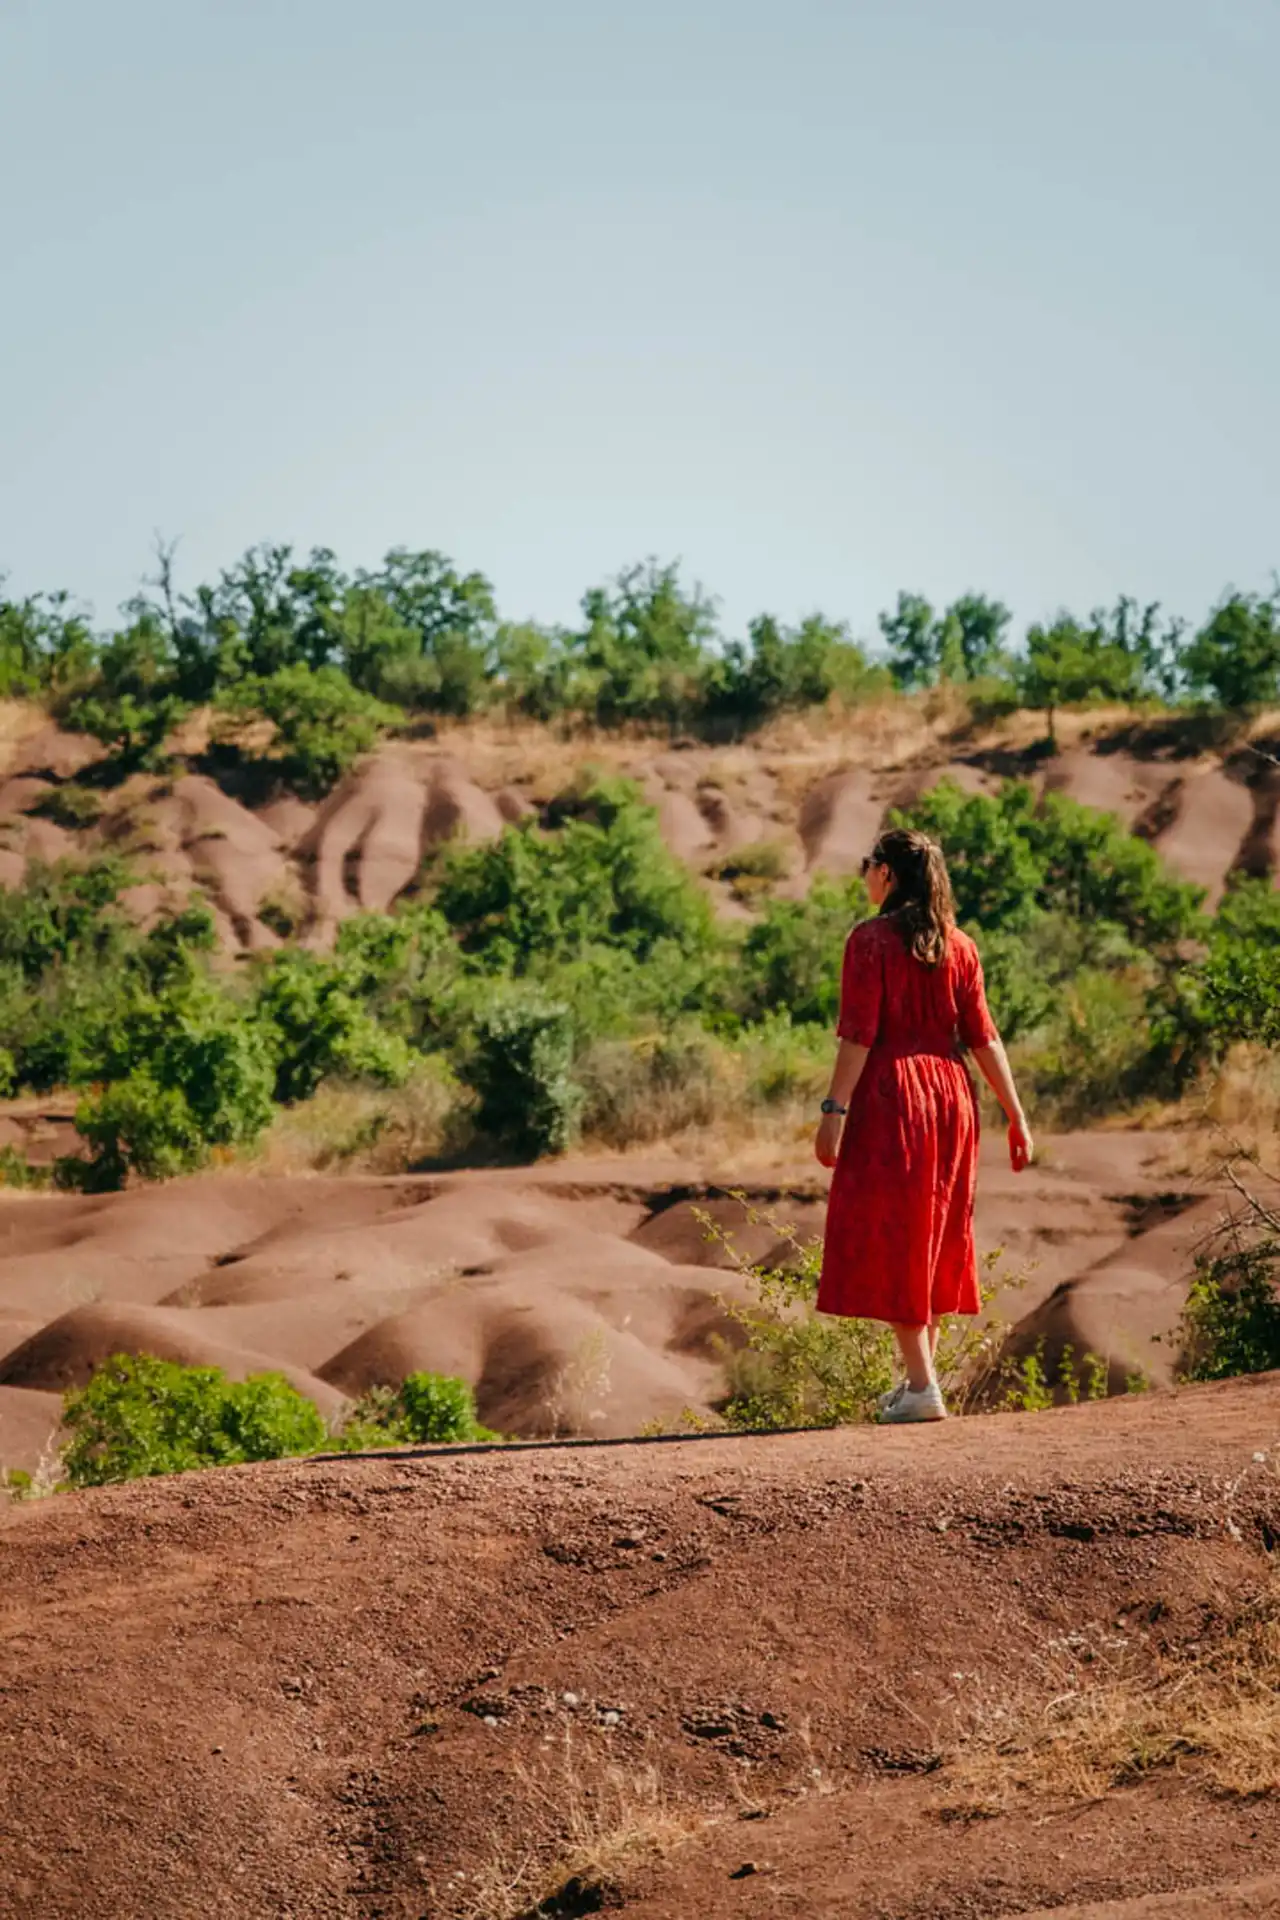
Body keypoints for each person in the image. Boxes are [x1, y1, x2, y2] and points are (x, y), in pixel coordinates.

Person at [813, 827, 1032, 1424]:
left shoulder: (869, 942)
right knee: (931, 1232)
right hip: (952, 1096)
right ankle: (919, 1384)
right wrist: (1016, 1115)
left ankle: (921, 1387)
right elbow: (984, 1037)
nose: (864, 875)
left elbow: (858, 1035)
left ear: (886, 872)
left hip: (894, 1095)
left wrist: (834, 1111)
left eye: (867, 864)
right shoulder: (960, 946)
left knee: (897, 1234)